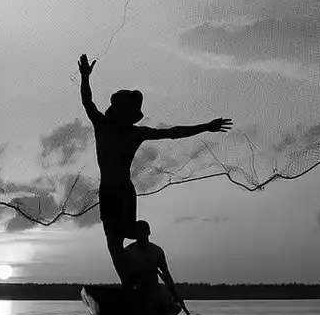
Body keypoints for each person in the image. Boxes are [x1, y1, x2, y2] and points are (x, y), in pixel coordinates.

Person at [78, 52, 229, 286]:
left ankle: (148, 263)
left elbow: (172, 132)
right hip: (107, 192)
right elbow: (87, 101)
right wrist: (85, 77)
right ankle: (130, 285)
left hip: (124, 192)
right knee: (113, 243)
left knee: (128, 235)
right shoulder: (102, 124)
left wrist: (207, 127)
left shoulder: (136, 133)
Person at [121, 219, 189, 315]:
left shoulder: (156, 251)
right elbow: (124, 275)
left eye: (143, 231)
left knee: (163, 300)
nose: (141, 234)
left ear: (149, 232)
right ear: (134, 234)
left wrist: (174, 295)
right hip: (135, 291)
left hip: (153, 290)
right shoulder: (128, 251)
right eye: (138, 231)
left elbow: (166, 274)